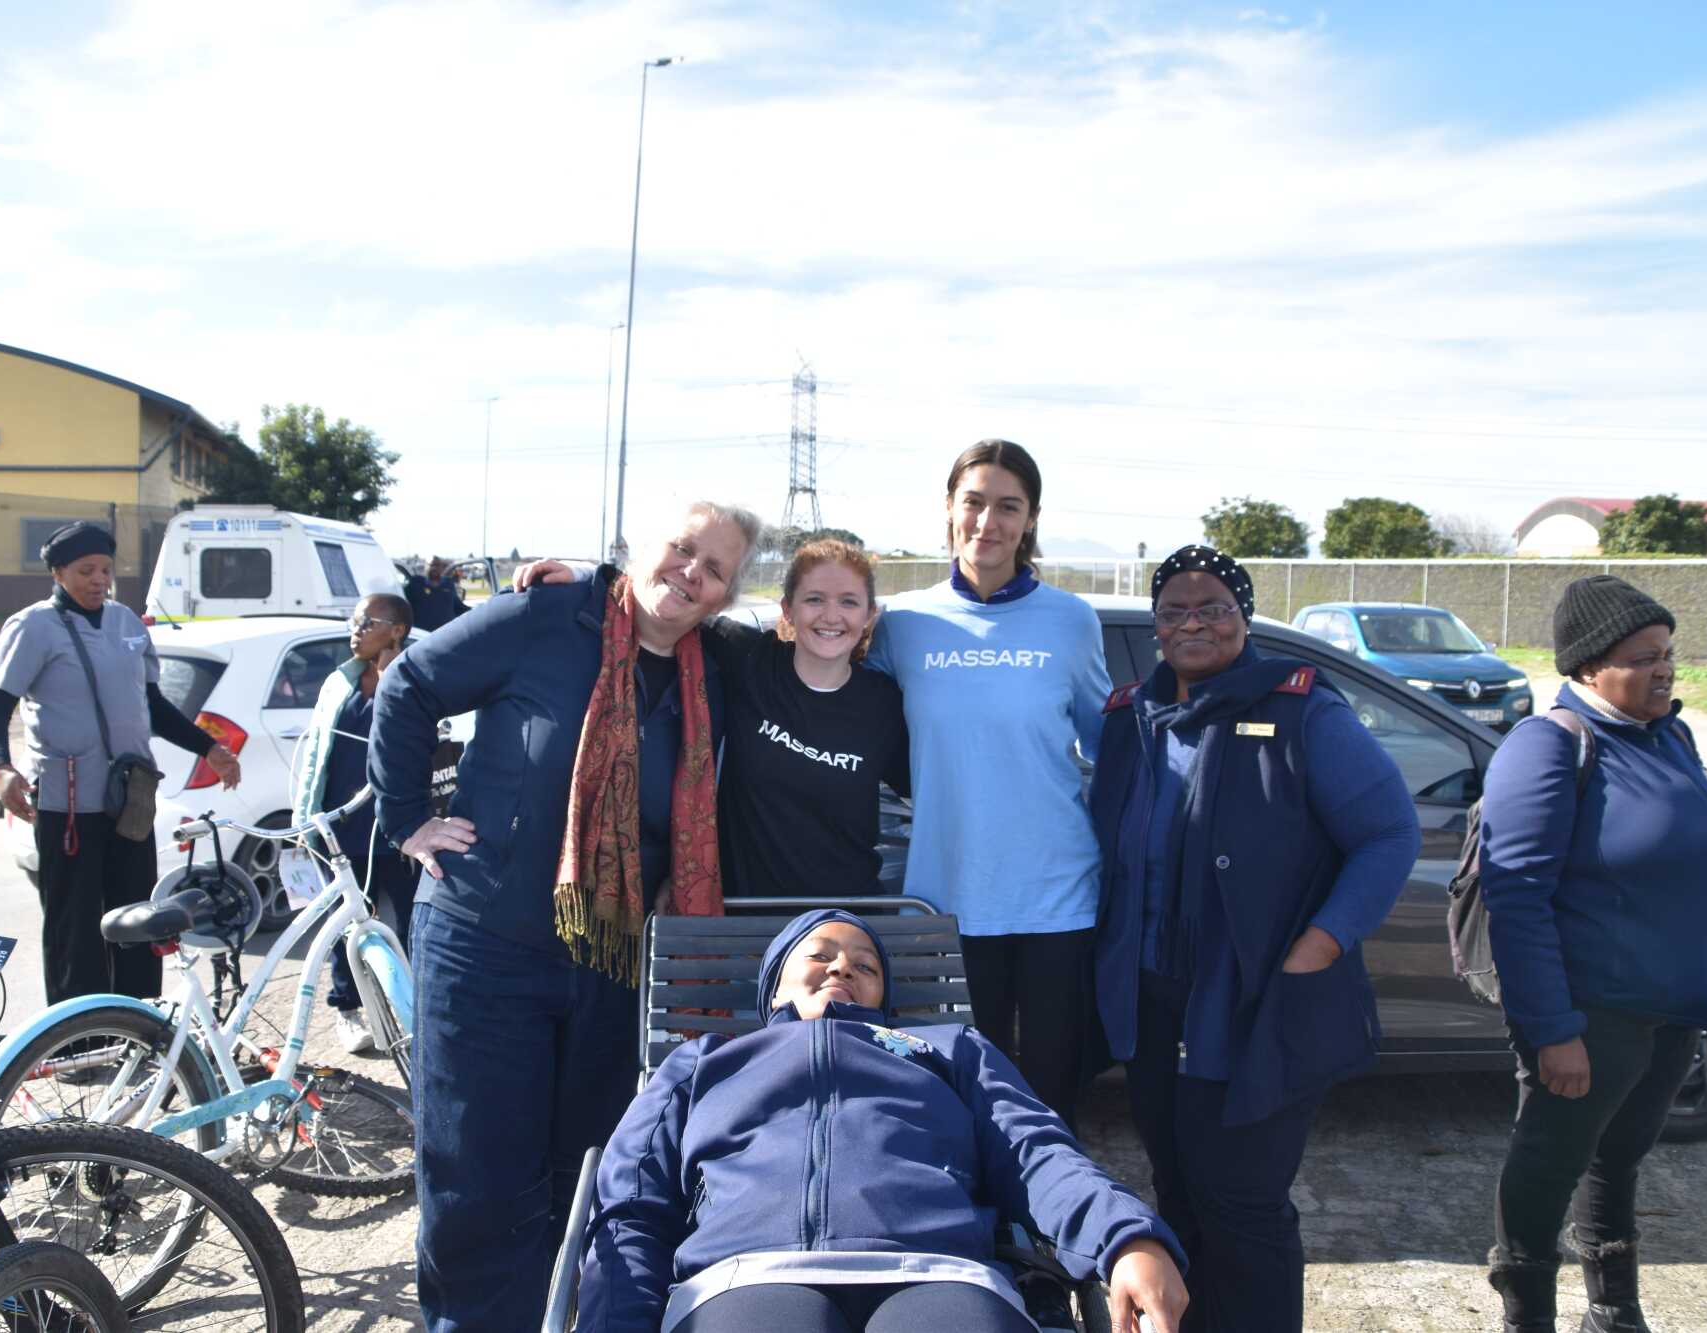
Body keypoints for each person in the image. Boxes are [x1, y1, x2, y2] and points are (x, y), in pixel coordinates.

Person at [369, 500, 762, 1333]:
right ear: (636, 548)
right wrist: (407, 818)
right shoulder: (547, 617)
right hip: (486, 947)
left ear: (727, 596)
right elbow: (408, 685)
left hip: (611, 963)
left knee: (583, 1175)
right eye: (680, 547)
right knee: (478, 1183)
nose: (691, 572)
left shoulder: (711, 669)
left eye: (715, 568)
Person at [1087, 545, 1420, 1331]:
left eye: (1214, 607)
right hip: (1152, 1000)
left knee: (1241, 1199)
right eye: (1174, 610)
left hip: (1256, 1002)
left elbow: (1389, 831)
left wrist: (1325, 940)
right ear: (1157, 626)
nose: (1193, 622)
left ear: (1244, 616)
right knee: (1177, 1187)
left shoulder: (1303, 710)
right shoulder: (1130, 718)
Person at [577, 908, 1190, 1333]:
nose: (844, 969)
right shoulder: (704, 1061)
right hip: (743, 1275)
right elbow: (631, 1203)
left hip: (943, 1273)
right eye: (819, 955)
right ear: (773, 988)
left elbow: (1036, 1152)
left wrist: (1127, 1238)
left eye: (866, 966)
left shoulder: (952, 1049)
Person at [1480, 576, 1707, 1333]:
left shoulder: (1670, 734)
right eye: (1644, 656)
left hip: (1671, 1005)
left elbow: (1692, 827)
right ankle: (1526, 1317)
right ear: (1589, 668)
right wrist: (1553, 1029)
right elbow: (1515, 894)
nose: (1665, 670)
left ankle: (1614, 1311)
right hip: (1591, 1013)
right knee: (1548, 1166)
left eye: (1669, 655)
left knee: (1617, 1158)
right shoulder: (1550, 745)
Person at [862, 439, 1109, 1126]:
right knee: (962, 1087)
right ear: (949, 508)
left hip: (1059, 892)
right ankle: (977, 1228)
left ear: (1030, 518)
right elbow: (850, 716)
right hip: (947, 894)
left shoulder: (1070, 621)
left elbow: (1111, 746)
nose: (988, 522)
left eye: (1009, 506)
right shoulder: (904, 624)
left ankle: (1051, 1222)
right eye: (974, 502)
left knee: (1054, 1091)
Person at [515, 538, 910, 900]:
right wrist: (586, 575)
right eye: (814, 599)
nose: (831, 616)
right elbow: (671, 598)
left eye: (848, 602)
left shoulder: (885, 704)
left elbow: (929, 788)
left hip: (845, 921)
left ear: (869, 616)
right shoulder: (752, 661)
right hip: (743, 921)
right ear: (787, 608)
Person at [0, 521, 241, 1004]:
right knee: (74, 923)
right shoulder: (32, 627)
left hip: (129, 801)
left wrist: (209, 748)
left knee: (138, 917)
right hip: (67, 804)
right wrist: (1, 768)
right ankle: (78, 1040)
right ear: (57, 573)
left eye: (105, 570)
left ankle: (139, 1025)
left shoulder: (126, 623)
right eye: (85, 571)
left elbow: (154, 705)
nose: (98, 580)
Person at [289, 591, 421, 1056]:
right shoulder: (339, 682)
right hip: (341, 826)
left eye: (367, 623)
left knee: (409, 921)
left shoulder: (417, 679)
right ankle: (348, 1007)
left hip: (397, 827)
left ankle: (411, 1011)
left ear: (397, 631)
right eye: (354, 621)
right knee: (347, 922)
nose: (355, 630)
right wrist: (305, 816)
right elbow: (316, 755)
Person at [404, 556, 468, 632]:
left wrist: (474, 611)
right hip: (422, 636)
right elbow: (402, 602)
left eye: (437, 565)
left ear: (442, 568)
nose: (434, 568)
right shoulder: (416, 583)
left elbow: (458, 606)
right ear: (426, 566)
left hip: (446, 634)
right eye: (432, 565)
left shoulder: (448, 584)